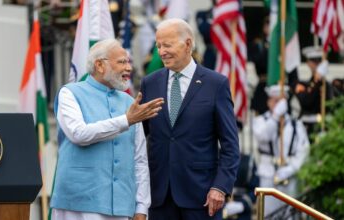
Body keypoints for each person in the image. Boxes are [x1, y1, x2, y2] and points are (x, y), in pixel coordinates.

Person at [50, 39, 164, 220]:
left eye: (129, 62)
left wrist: (141, 207)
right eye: (122, 62)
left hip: (122, 206)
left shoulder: (130, 103)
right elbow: (79, 134)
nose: (129, 68)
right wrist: (125, 120)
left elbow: (139, 159)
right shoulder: (69, 93)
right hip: (78, 204)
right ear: (100, 65)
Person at [140, 18, 240, 220]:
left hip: (202, 197)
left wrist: (220, 187)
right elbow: (140, 139)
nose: (161, 51)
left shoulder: (216, 84)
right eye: (158, 46)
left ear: (187, 44)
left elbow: (230, 144)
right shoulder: (149, 83)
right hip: (159, 197)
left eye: (167, 45)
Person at [253, 85, 310, 217]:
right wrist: (275, 117)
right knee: (268, 215)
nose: (278, 105)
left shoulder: (297, 124)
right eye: (275, 101)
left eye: (281, 101)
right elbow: (263, 136)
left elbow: (304, 150)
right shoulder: (261, 121)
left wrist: (291, 168)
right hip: (268, 176)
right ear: (268, 102)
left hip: (290, 177)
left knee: (290, 215)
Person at [295, 46, 330, 136]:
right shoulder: (302, 85)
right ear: (308, 63)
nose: (317, 64)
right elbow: (306, 101)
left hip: (324, 126)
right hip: (306, 127)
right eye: (314, 61)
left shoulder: (327, 85)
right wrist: (317, 80)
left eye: (319, 61)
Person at [195, 0, 217, 70]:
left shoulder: (230, 15)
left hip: (226, 52)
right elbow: (204, 31)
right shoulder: (203, 14)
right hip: (211, 51)